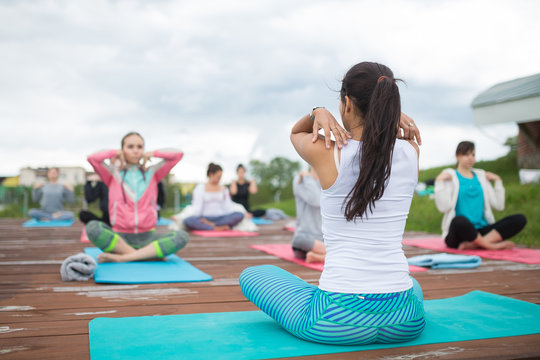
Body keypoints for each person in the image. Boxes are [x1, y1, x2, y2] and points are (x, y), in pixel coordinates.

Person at [239, 61, 425, 345]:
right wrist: (389, 114)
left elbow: (296, 134)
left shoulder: (330, 151)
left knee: (252, 275)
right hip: (405, 319)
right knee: (412, 284)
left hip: (337, 321)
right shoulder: (411, 152)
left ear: (347, 104)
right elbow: (387, 141)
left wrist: (317, 112)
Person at [85, 132, 189, 263]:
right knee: (92, 227)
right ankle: (144, 255)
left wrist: (153, 154)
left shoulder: (153, 172)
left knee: (182, 236)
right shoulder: (112, 174)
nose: (135, 151)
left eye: (139, 147)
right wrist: (115, 153)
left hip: (148, 237)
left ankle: (124, 257)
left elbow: (178, 155)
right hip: (120, 238)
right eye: (130, 147)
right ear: (122, 149)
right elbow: (92, 158)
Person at [434, 141, 527, 250]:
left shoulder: (481, 178)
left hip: (481, 230)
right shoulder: (450, 177)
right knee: (459, 220)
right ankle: (490, 245)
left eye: (473, 155)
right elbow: (443, 208)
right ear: (457, 156)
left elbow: (499, 206)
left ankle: (475, 244)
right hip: (459, 233)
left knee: (520, 219)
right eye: (466, 154)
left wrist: (498, 181)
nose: (470, 158)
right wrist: (439, 182)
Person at [184, 163, 244, 231]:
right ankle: (215, 227)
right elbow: (197, 208)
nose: (219, 179)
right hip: (205, 218)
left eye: (220, 177)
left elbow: (228, 206)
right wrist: (197, 217)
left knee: (239, 215)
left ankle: (210, 225)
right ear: (210, 175)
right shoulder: (200, 188)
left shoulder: (224, 189)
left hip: (221, 217)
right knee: (188, 221)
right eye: (218, 177)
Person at [291, 167, 325, 263]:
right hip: (304, 240)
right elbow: (316, 200)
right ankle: (324, 256)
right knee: (342, 254)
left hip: (324, 240)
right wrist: (307, 177)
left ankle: (318, 257)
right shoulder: (300, 179)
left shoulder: (328, 182)